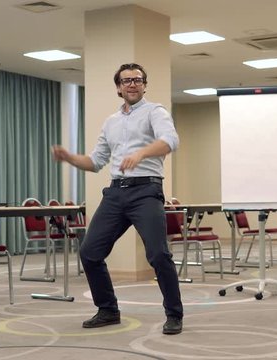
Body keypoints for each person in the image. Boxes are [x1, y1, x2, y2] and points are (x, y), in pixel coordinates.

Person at [52, 63, 183, 335]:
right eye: (126, 81)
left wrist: (142, 154)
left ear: (144, 85)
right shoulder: (111, 122)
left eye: (137, 80)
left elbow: (170, 140)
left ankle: (174, 314)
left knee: (158, 254)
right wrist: (69, 158)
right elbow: (95, 161)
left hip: (146, 190)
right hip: (115, 193)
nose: (132, 84)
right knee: (89, 252)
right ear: (118, 88)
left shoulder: (154, 112)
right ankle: (108, 309)